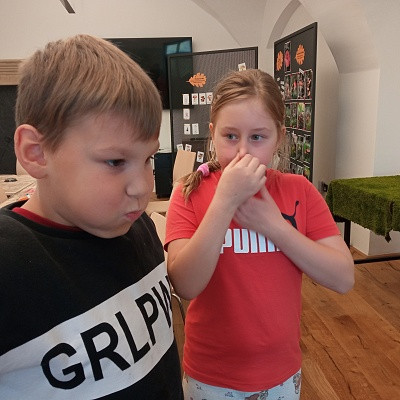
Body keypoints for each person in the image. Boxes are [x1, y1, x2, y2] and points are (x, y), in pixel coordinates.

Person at [0, 34, 183, 399]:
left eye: (148, 158)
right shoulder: (9, 266)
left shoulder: (140, 226)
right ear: (36, 153)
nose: (142, 187)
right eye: (115, 161)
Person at [165, 69, 354, 400]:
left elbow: (343, 278)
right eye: (230, 136)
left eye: (257, 137)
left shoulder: (299, 191)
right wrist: (224, 202)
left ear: (278, 137)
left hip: (280, 371)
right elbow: (185, 285)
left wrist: (274, 226)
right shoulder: (188, 192)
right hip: (211, 372)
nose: (242, 152)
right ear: (212, 134)